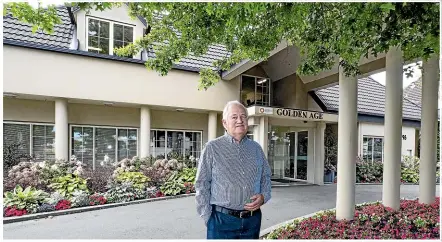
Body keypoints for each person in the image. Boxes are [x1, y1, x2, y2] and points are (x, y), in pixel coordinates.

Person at [195, 100, 272, 239]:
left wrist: (264, 196)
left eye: (243, 117)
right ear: (224, 123)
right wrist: (208, 217)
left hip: (252, 222)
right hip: (221, 221)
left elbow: (265, 176)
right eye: (234, 117)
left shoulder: (256, 149)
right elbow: (202, 183)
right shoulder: (212, 148)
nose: (240, 120)